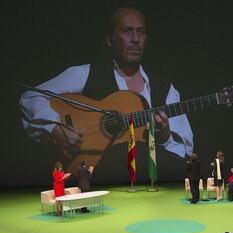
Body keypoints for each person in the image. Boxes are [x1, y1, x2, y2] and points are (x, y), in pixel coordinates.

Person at [19, 6, 193, 182]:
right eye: (127, 31)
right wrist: (56, 129)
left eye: (140, 32)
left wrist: (165, 138)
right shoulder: (84, 74)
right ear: (110, 39)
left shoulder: (163, 88)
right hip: (94, 183)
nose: (135, 39)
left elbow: (183, 154)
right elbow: (30, 97)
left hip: (146, 187)